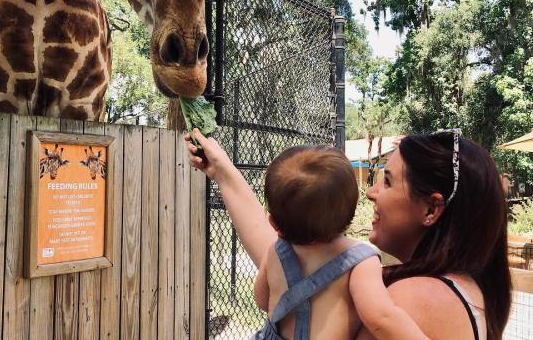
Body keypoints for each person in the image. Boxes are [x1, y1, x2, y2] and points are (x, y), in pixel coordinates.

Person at [185, 128, 511, 340]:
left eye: (387, 181)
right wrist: (223, 172)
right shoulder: (457, 287)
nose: (371, 194)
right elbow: (293, 261)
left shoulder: (412, 298)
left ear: (430, 209)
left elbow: (282, 281)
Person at [252, 144, 429, 340]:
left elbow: (261, 299)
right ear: (352, 209)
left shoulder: (275, 251)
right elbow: (381, 318)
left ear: (274, 223)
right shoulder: (359, 261)